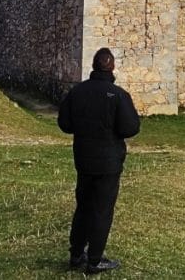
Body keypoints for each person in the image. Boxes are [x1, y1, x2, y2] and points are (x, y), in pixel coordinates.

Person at [57, 47, 141, 274]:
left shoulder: (77, 92)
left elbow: (64, 123)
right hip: (109, 163)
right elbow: (130, 127)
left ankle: (76, 254)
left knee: (83, 206)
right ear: (112, 67)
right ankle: (94, 260)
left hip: (84, 159)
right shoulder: (118, 95)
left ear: (94, 66)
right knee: (102, 210)